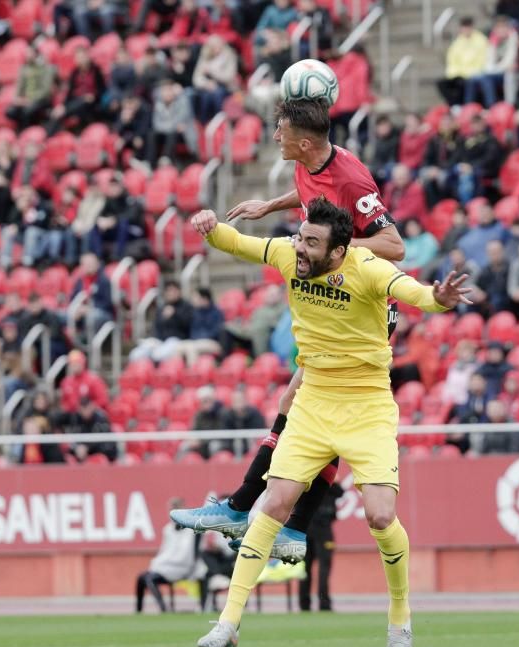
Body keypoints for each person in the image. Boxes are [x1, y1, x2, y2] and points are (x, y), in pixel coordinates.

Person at [188, 198, 471, 647]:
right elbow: (241, 243)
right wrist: (211, 229)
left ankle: (399, 616)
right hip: (314, 402)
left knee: (381, 517)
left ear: (339, 251)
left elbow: (411, 290)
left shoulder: (368, 269)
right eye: (300, 236)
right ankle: (228, 621)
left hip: (367, 406)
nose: (300, 247)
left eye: (311, 242)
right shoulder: (290, 254)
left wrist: (437, 299)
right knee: (274, 503)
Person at [171, 98, 404, 566]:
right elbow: (314, 200)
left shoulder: (353, 178)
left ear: (302, 141)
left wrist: (335, 248)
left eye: (279, 131)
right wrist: (270, 205)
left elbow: (393, 245)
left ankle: (242, 509)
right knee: (293, 404)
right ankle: (288, 526)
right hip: (337, 310)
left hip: (366, 315)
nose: (273, 137)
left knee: (303, 406)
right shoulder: (307, 163)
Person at [136, 499, 200, 613]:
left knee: (149, 578)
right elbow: (164, 551)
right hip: (165, 567)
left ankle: (163, 609)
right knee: (141, 578)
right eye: (171, 508)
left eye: (177, 507)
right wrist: (157, 563)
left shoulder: (192, 529)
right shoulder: (167, 529)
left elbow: (184, 557)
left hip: (181, 568)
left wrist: (159, 564)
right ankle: (138, 611)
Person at [299, 478, 343, 612]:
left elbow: (340, 492)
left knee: (305, 568)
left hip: (306, 529)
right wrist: (334, 480)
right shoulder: (328, 482)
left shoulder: (306, 480)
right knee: (323, 568)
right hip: (323, 531)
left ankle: (304, 604)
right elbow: (339, 492)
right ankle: (324, 604)